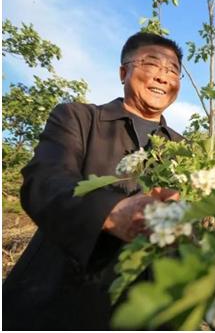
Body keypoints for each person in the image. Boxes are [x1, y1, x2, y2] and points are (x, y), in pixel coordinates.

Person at [3, 32, 185, 330]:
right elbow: (44, 181)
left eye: (173, 70)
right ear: (123, 72)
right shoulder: (77, 118)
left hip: (148, 312)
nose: (163, 77)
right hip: (59, 303)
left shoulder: (184, 148)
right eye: (152, 63)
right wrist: (111, 213)